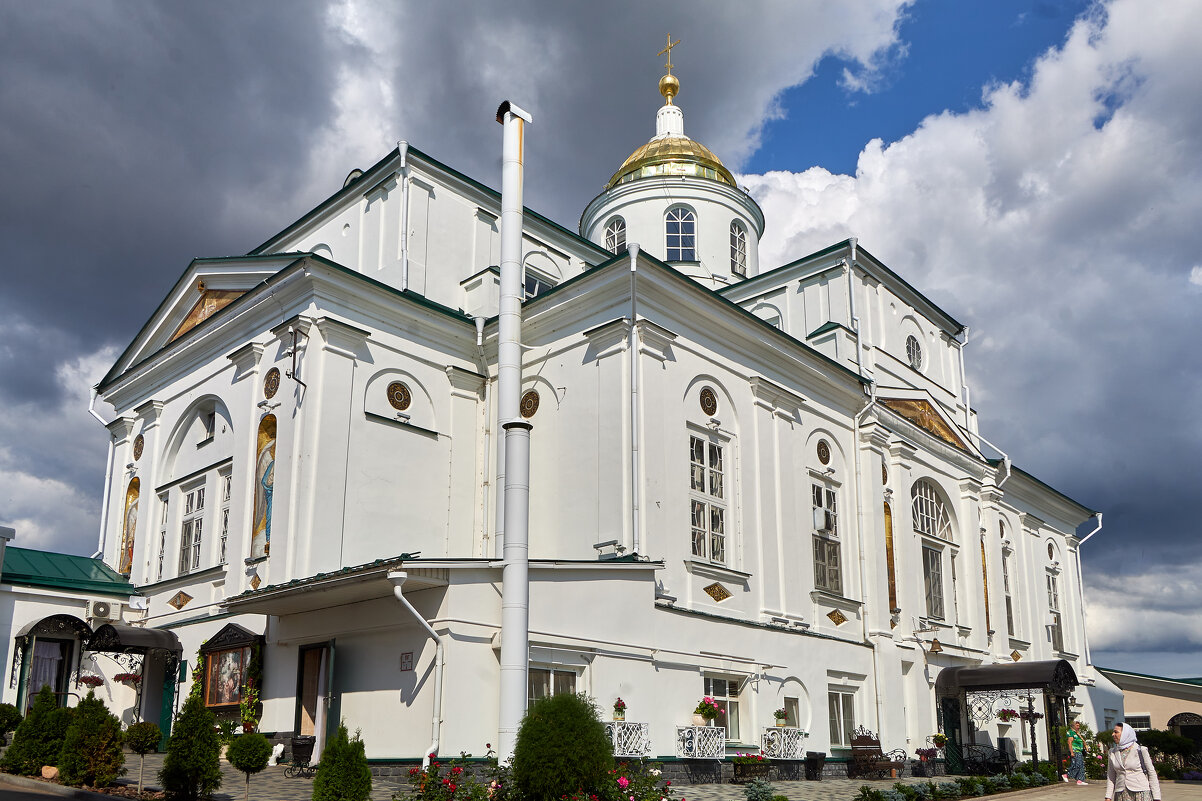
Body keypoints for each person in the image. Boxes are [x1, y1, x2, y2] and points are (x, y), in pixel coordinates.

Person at [1105, 723, 1161, 801]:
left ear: (1125, 734)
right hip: (1121, 793)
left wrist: (1157, 797)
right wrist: (1108, 796)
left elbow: (1151, 773)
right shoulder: (1112, 752)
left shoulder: (1140, 750)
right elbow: (1111, 775)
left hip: (1141, 792)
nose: (1113, 734)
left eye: (1116, 732)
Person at [1063, 719, 1087, 784]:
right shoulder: (1071, 732)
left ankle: (1080, 780)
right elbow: (1069, 742)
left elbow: (1082, 741)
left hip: (1079, 751)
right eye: (1077, 725)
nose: (1078, 727)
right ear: (1073, 726)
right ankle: (1067, 775)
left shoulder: (1077, 733)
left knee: (1081, 765)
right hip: (1075, 751)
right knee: (1077, 765)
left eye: (1079, 725)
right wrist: (1071, 752)